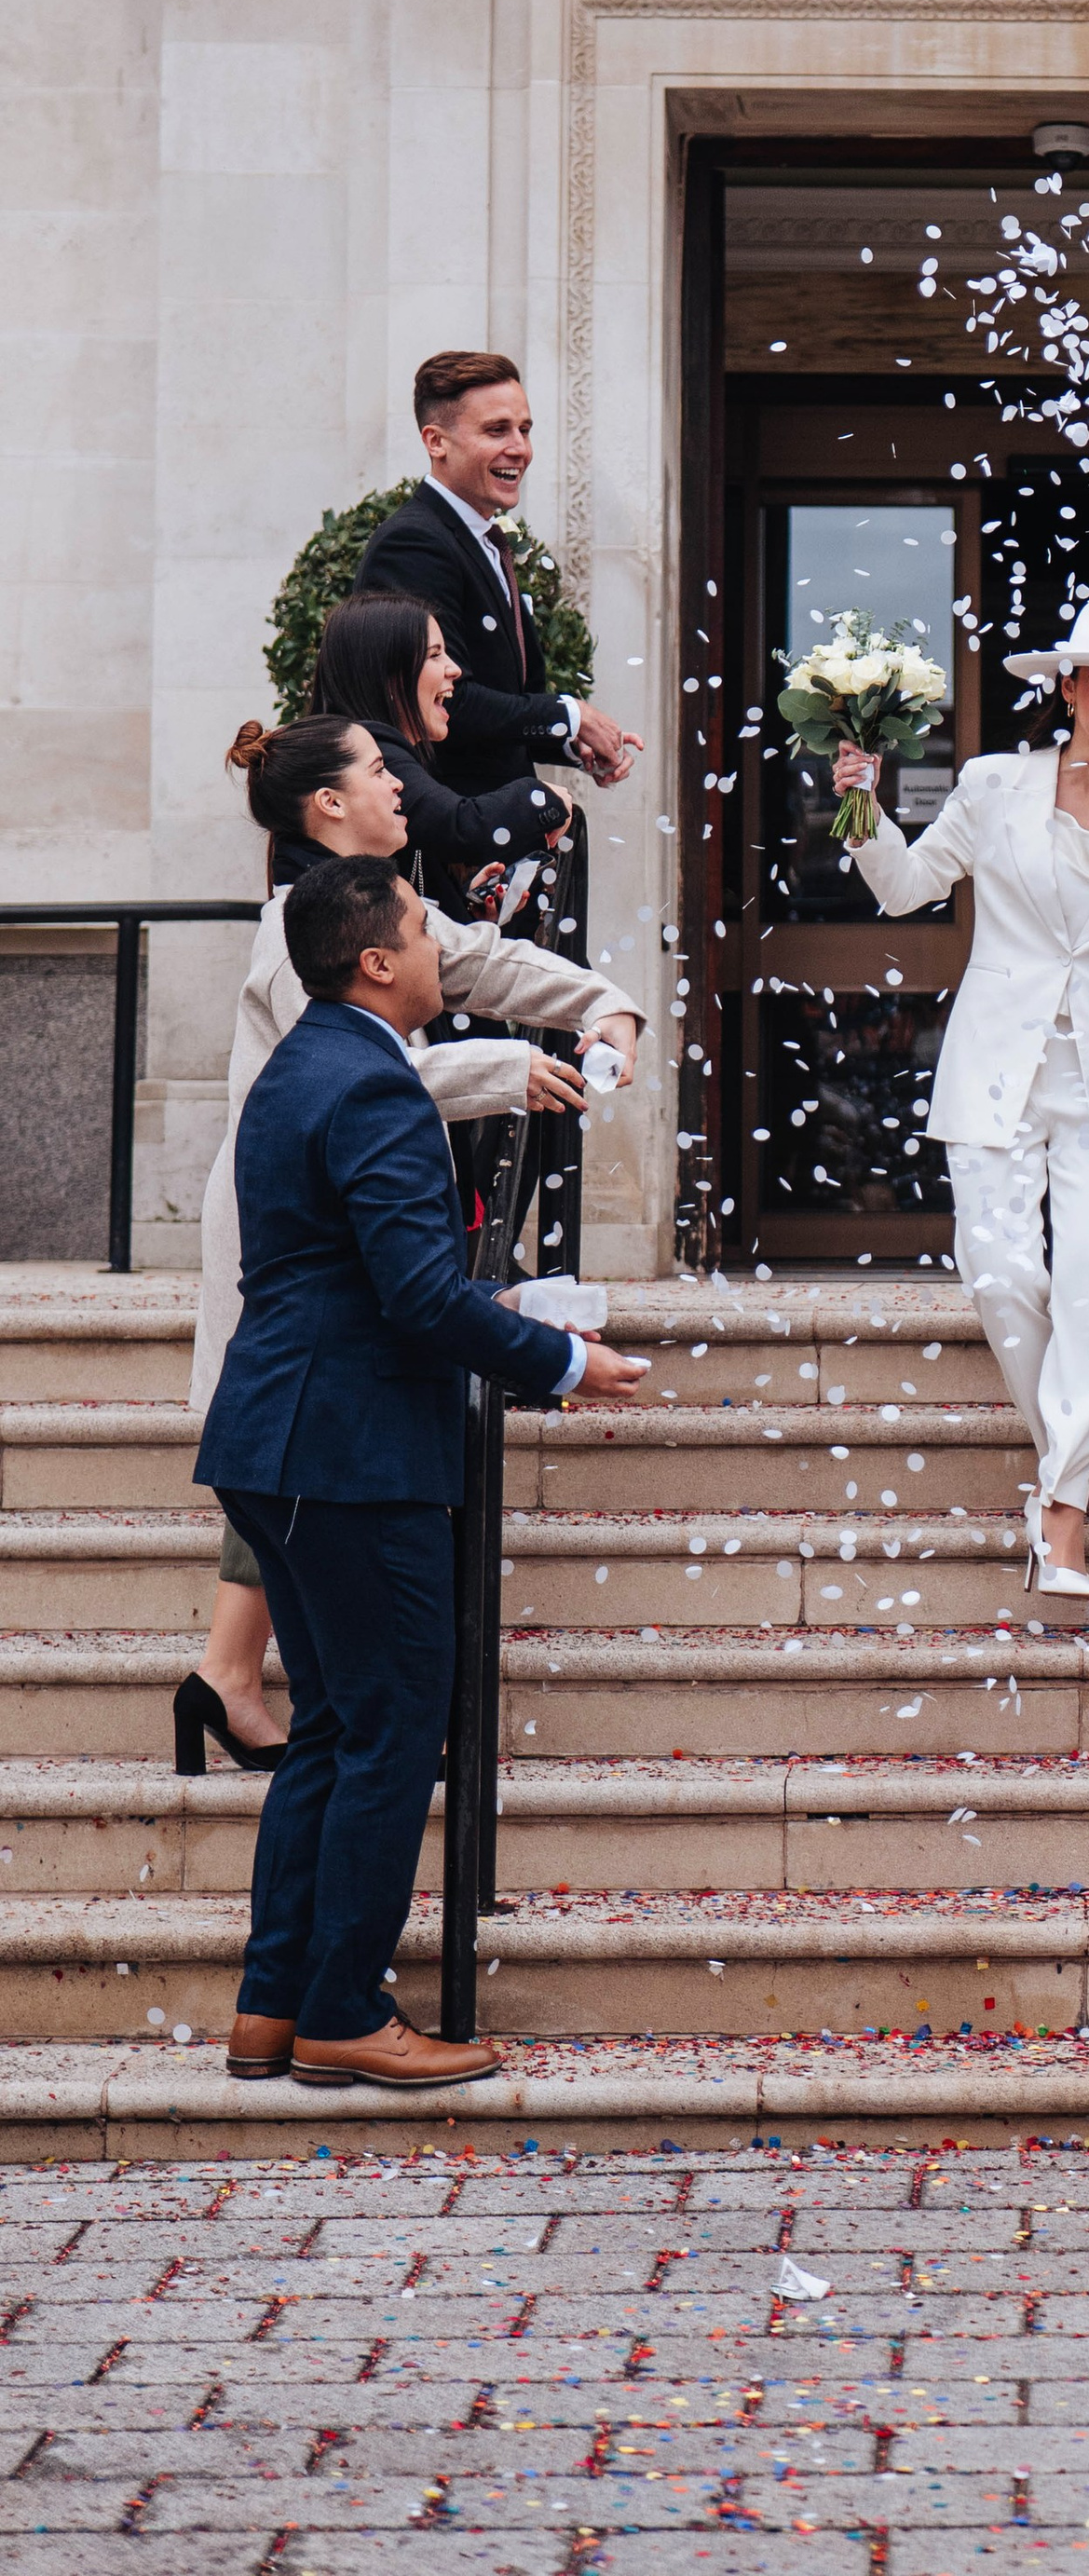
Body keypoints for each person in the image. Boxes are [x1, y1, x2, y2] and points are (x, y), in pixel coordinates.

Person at [195, 856, 648, 2091]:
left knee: (336, 1725)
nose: (444, 947)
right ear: (377, 961)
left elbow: (360, 1269)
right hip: (347, 1453)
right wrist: (562, 1360)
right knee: (394, 1724)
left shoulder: (304, 1069)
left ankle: (272, 2004)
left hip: (275, 1439)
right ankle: (344, 2009)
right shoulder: (376, 1087)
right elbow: (410, 1295)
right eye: (423, 929)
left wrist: (497, 1311)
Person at [179, 715, 643, 1777]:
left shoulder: (391, 910)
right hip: (287, 1235)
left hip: (344, 1235)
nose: (405, 786)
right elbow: (331, 1085)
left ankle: (232, 1676)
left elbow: (494, 965)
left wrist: (607, 1006)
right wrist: (499, 1074)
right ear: (329, 804)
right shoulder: (300, 922)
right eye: (382, 771)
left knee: (291, 1455)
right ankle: (250, 1686)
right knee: (295, 1441)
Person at [832, 600, 1089, 1594]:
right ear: (1067, 689)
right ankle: (1063, 1455)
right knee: (1003, 1277)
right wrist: (860, 807)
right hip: (997, 1062)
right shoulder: (995, 784)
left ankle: (1064, 1511)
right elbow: (906, 887)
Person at [352, 349, 640, 803]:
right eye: (496, 430)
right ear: (436, 442)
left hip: (490, 828)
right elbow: (446, 702)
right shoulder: (412, 544)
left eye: (524, 430)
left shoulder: (482, 538)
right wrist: (569, 714)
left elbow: (501, 696)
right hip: (450, 831)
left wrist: (567, 741)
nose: (520, 449)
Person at [312, 593, 573, 891]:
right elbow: (459, 828)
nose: (455, 669)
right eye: (434, 655)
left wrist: (472, 908)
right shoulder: (372, 748)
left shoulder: (383, 748)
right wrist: (541, 797)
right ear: (388, 674)